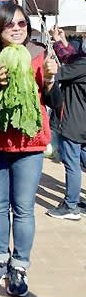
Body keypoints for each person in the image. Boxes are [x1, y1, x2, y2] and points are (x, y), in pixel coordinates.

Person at [0, 3, 61, 297]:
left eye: (22, 24)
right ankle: (0, 259)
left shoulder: (38, 55)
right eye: (9, 24)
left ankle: (19, 266)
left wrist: (50, 78)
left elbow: (53, 101)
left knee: (23, 208)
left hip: (29, 144)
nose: (16, 29)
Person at [45, 26, 86, 219]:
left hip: (73, 122)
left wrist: (55, 43)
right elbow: (72, 58)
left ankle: (70, 206)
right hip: (81, 120)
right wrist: (62, 41)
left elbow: (61, 71)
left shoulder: (83, 65)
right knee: (80, 160)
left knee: (72, 164)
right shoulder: (82, 63)